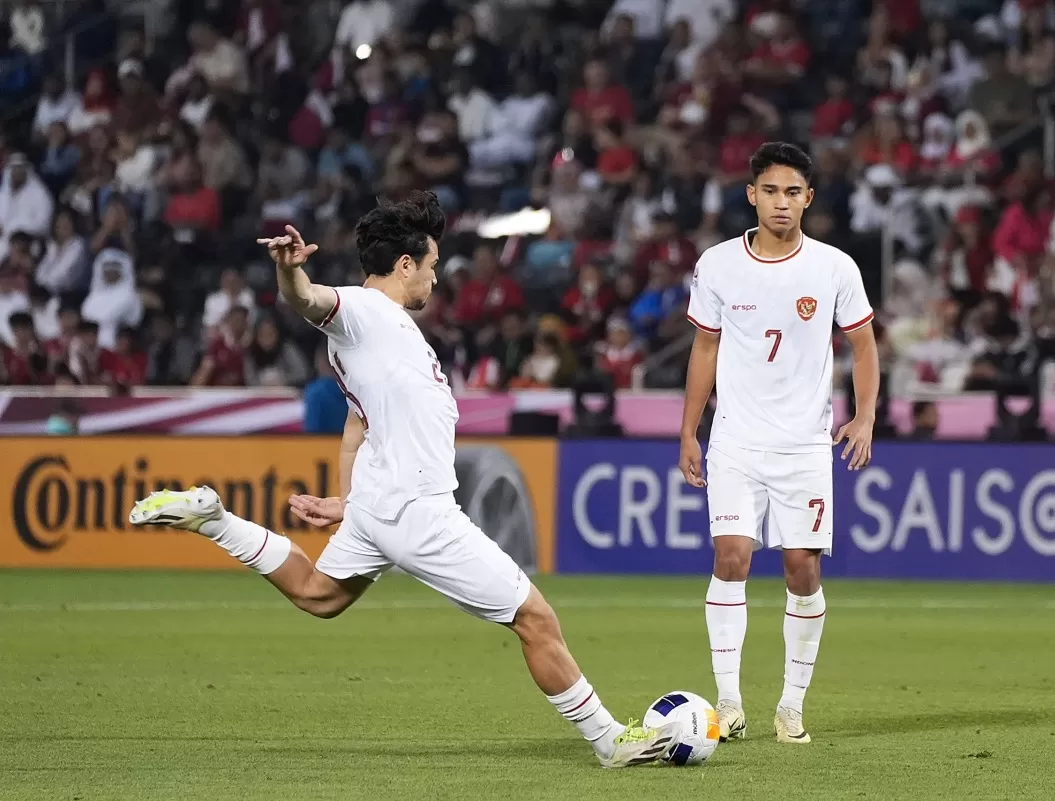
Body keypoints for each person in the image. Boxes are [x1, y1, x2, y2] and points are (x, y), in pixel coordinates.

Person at [127, 192, 678, 769]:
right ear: (406, 264)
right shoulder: (365, 312)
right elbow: (309, 299)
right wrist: (289, 272)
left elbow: (356, 427)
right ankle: (609, 741)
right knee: (535, 617)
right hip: (416, 509)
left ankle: (215, 520)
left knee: (318, 594)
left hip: (378, 503)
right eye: (432, 266)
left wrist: (350, 501)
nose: (435, 280)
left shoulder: (383, 337)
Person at [678, 142, 879, 745]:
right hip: (736, 441)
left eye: (793, 192)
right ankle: (729, 702)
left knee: (801, 570)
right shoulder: (717, 264)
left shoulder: (834, 267)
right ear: (751, 195)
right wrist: (689, 429)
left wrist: (865, 417)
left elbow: (864, 346)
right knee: (731, 556)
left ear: (808, 198)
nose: (781, 203)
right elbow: (705, 348)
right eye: (770, 191)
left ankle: (791, 706)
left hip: (805, 447)